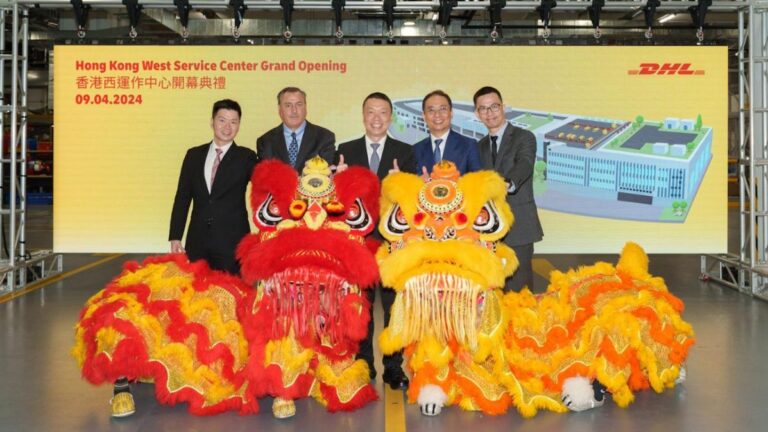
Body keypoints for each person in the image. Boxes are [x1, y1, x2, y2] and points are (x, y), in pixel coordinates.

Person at [335, 92, 416, 390]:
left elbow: (414, 200)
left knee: (394, 309)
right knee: (361, 308)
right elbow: (335, 202)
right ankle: (364, 364)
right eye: (371, 112)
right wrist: (338, 181)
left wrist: (403, 182)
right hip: (359, 244)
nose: (377, 117)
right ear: (363, 115)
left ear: (391, 116)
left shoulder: (404, 152)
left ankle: (393, 367)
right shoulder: (345, 150)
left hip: (393, 245)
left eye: (383, 112)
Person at [169, 98, 257, 275]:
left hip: (232, 242)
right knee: (195, 295)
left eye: (234, 122)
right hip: (197, 240)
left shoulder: (246, 157)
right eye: (222, 120)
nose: (227, 127)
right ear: (212, 122)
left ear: (239, 125)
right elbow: (183, 196)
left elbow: (264, 184)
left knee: (231, 295)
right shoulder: (193, 155)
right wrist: (175, 235)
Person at [473, 86, 543, 292]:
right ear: (477, 114)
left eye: (494, 106)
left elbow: (525, 164)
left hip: (519, 226)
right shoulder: (479, 147)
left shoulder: (524, 137)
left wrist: (507, 183)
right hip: (488, 230)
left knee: (519, 291)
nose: (489, 113)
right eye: (483, 109)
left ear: (503, 107)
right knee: (492, 290)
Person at [257, 86, 335, 170]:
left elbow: (325, 173)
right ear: (280, 110)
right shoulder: (265, 142)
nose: (294, 110)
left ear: (305, 107)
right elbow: (265, 176)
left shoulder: (324, 137)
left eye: (299, 104)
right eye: (288, 105)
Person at [412, 90, 481, 176]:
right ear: (424, 116)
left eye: (443, 109)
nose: (437, 115)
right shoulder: (416, 150)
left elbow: (477, 181)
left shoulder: (468, 145)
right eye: (431, 110)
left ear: (451, 113)